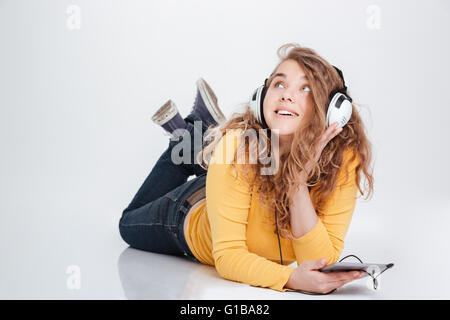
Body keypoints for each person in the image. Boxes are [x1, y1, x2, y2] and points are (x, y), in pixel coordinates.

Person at [119, 43, 374, 295]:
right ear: (261, 98)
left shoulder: (343, 158)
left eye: (306, 88)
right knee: (127, 224)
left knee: (226, 156)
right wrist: (290, 278)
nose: (286, 94)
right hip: (187, 211)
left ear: (332, 111)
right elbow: (229, 256)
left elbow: (318, 263)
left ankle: (198, 136)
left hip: (230, 186)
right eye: (279, 84)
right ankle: (185, 140)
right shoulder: (237, 146)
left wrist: (296, 184)